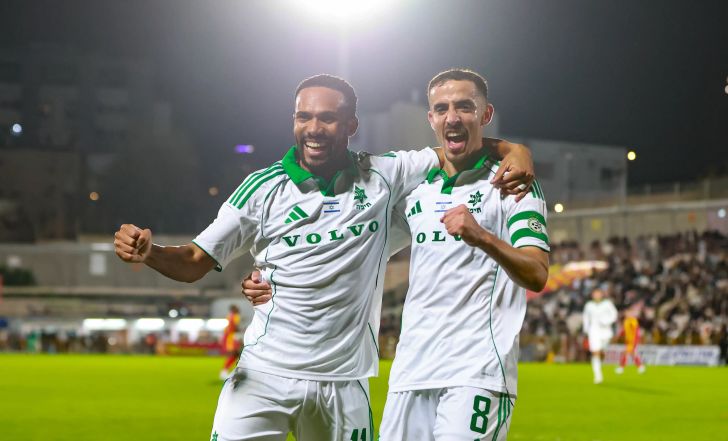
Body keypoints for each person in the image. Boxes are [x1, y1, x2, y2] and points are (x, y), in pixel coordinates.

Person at [114, 74, 534, 441]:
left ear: (351, 125)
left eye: (328, 118)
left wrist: (515, 150)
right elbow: (193, 261)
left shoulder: (383, 174)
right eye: (304, 117)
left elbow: (457, 147)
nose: (313, 128)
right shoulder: (262, 189)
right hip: (264, 375)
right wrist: (150, 253)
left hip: (344, 384)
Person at [244, 69, 549, 440]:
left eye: (465, 107)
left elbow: (537, 273)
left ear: (485, 115)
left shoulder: (512, 184)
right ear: (431, 118)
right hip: (410, 372)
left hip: (477, 370)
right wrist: (268, 275)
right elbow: (344, 245)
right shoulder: (413, 189)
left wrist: (482, 237)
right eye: (442, 109)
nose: (452, 117)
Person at [582, 288, 618, 384]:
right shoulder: (589, 305)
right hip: (593, 331)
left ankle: (600, 360)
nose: (596, 295)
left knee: (602, 352)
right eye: (595, 294)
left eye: (598, 294)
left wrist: (607, 321)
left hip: (606, 332)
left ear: (602, 295)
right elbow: (586, 317)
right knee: (595, 352)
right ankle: (598, 375)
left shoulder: (607, 304)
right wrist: (586, 329)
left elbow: (614, 314)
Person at [615, 309, 646, 374]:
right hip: (628, 340)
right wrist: (619, 335)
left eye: (629, 313)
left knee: (625, 353)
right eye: (626, 312)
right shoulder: (626, 321)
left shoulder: (633, 320)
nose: (627, 314)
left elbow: (636, 331)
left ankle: (621, 368)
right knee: (632, 354)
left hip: (632, 340)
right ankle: (640, 367)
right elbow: (625, 330)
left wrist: (636, 340)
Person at [220, 305, 243, 380]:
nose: (238, 309)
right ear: (233, 309)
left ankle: (226, 371)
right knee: (234, 354)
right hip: (232, 337)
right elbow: (234, 327)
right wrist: (241, 332)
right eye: (237, 308)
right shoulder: (235, 316)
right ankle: (224, 372)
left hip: (230, 336)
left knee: (236, 354)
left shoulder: (230, 316)